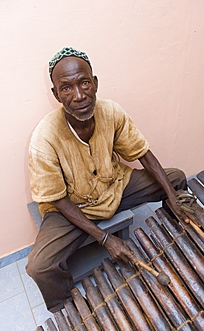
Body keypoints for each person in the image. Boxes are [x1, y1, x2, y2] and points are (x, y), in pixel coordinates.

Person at [26, 47, 188, 312]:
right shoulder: (43, 138)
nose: (79, 96)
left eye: (84, 83)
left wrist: (172, 197)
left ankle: (173, 234)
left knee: (176, 179)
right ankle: (67, 308)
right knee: (39, 266)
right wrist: (105, 239)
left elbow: (142, 154)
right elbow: (56, 198)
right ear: (56, 94)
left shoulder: (111, 112)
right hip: (71, 207)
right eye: (66, 88)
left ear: (95, 82)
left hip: (116, 186)